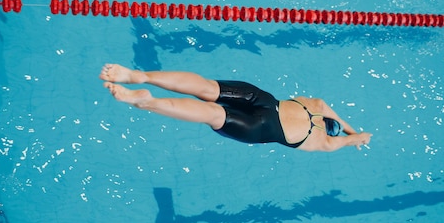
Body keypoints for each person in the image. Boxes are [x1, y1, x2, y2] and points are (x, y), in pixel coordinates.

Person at [100, 64, 372, 152]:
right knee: (212, 113)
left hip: (263, 100)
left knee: (207, 88)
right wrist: (354, 138)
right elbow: (353, 140)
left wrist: (351, 128)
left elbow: (331, 110)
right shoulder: (323, 142)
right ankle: (146, 101)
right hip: (261, 128)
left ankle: (141, 76)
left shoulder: (314, 105)